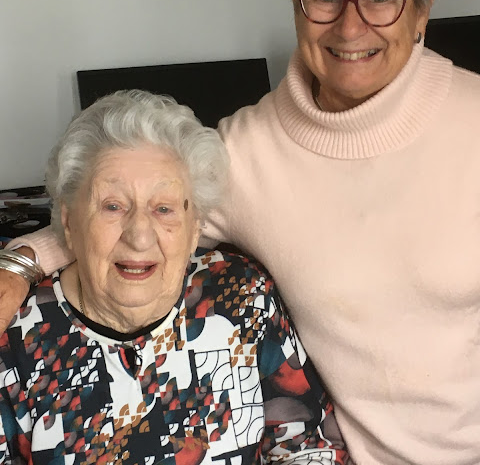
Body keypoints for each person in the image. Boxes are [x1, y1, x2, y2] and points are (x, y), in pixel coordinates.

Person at [1, 0, 479, 464]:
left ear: (422, 10)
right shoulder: (247, 150)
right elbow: (127, 207)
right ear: (297, 3)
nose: (351, 24)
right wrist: (19, 262)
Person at [0, 90, 350, 464]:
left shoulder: (242, 298)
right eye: (112, 206)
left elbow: (305, 444)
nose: (139, 236)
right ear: (69, 222)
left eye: (164, 209)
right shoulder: (15, 333)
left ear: (195, 226)